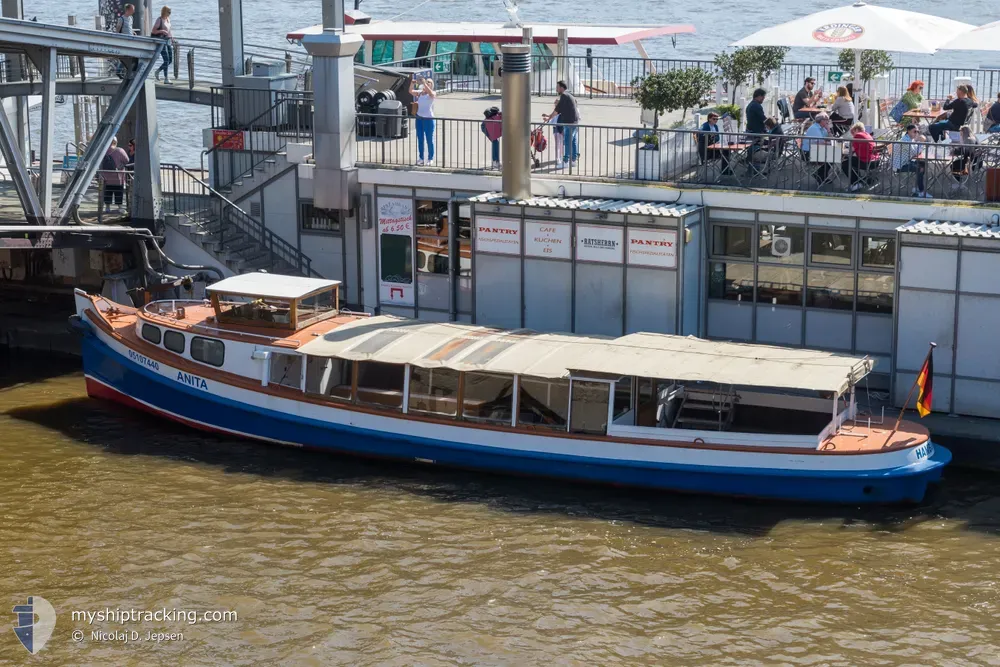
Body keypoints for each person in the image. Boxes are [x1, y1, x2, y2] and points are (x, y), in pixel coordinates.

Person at [544, 80, 579, 169]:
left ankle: (566, 162)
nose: (556, 89)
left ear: (561, 88)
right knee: (573, 141)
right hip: (575, 121)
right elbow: (559, 110)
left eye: (557, 87)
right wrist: (549, 116)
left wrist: (549, 118)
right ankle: (574, 160)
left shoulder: (563, 96)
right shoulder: (570, 95)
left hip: (569, 122)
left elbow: (557, 110)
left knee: (567, 142)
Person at [892, 124, 929, 198]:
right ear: (908, 131)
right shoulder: (905, 141)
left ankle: (917, 188)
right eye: (914, 131)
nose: (916, 133)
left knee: (922, 164)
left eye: (917, 131)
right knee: (920, 169)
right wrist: (921, 142)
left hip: (904, 162)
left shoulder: (909, 139)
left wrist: (918, 141)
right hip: (899, 166)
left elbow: (915, 150)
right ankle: (921, 191)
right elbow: (916, 152)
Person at [842, 121, 878, 192]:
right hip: (875, 161)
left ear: (856, 130)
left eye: (853, 132)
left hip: (866, 162)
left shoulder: (858, 135)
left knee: (845, 163)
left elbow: (850, 150)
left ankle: (856, 182)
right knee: (851, 161)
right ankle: (859, 181)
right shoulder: (868, 135)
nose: (853, 135)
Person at [409, 75, 437, 166]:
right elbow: (410, 91)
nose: (427, 83)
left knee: (429, 140)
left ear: (431, 85)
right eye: (426, 82)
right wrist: (412, 84)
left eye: (429, 82)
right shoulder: (420, 93)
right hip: (419, 118)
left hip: (428, 119)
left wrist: (425, 83)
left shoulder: (432, 93)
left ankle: (430, 158)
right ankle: (421, 158)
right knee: (420, 139)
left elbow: (431, 94)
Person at [100, 137, 130, 215]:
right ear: (116, 142)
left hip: (106, 177)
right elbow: (127, 160)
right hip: (118, 177)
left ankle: (107, 207)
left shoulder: (103, 151)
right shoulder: (120, 150)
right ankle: (120, 207)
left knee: (107, 192)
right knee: (118, 192)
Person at [802, 113, 832, 183]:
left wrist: (828, 130)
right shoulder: (815, 128)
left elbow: (829, 138)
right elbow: (821, 142)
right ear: (821, 121)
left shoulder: (822, 128)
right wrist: (832, 143)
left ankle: (821, 176)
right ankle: (820, 176)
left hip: (816, 150)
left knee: (833, 156)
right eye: (826, 120)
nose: (828, 122)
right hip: (809, 153)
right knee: (833, 156)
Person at [950, 125, 980, 190]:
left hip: (972, 163)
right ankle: (960, 183)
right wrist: (954, 150)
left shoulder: (970, 140)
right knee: (955, 164)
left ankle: (961, 183)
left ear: (964, 132)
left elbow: (969, 153)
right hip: (973, 161)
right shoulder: (971, 138)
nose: (960, 135)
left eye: (961, 133)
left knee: (953, 166)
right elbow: (963, 150)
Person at [152, 6, 175, 84]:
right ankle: (166, 78)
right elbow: (153, 31)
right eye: (169, 12)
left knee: (170, 60)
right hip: (161, 41)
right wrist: (161, 31)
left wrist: (172, 38)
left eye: (170, 12)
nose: (170, 13)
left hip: (168, 41)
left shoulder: (168, 19)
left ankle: (158, 71)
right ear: (164, 11)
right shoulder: (159, 20)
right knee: (166, 60)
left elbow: (169, 30)